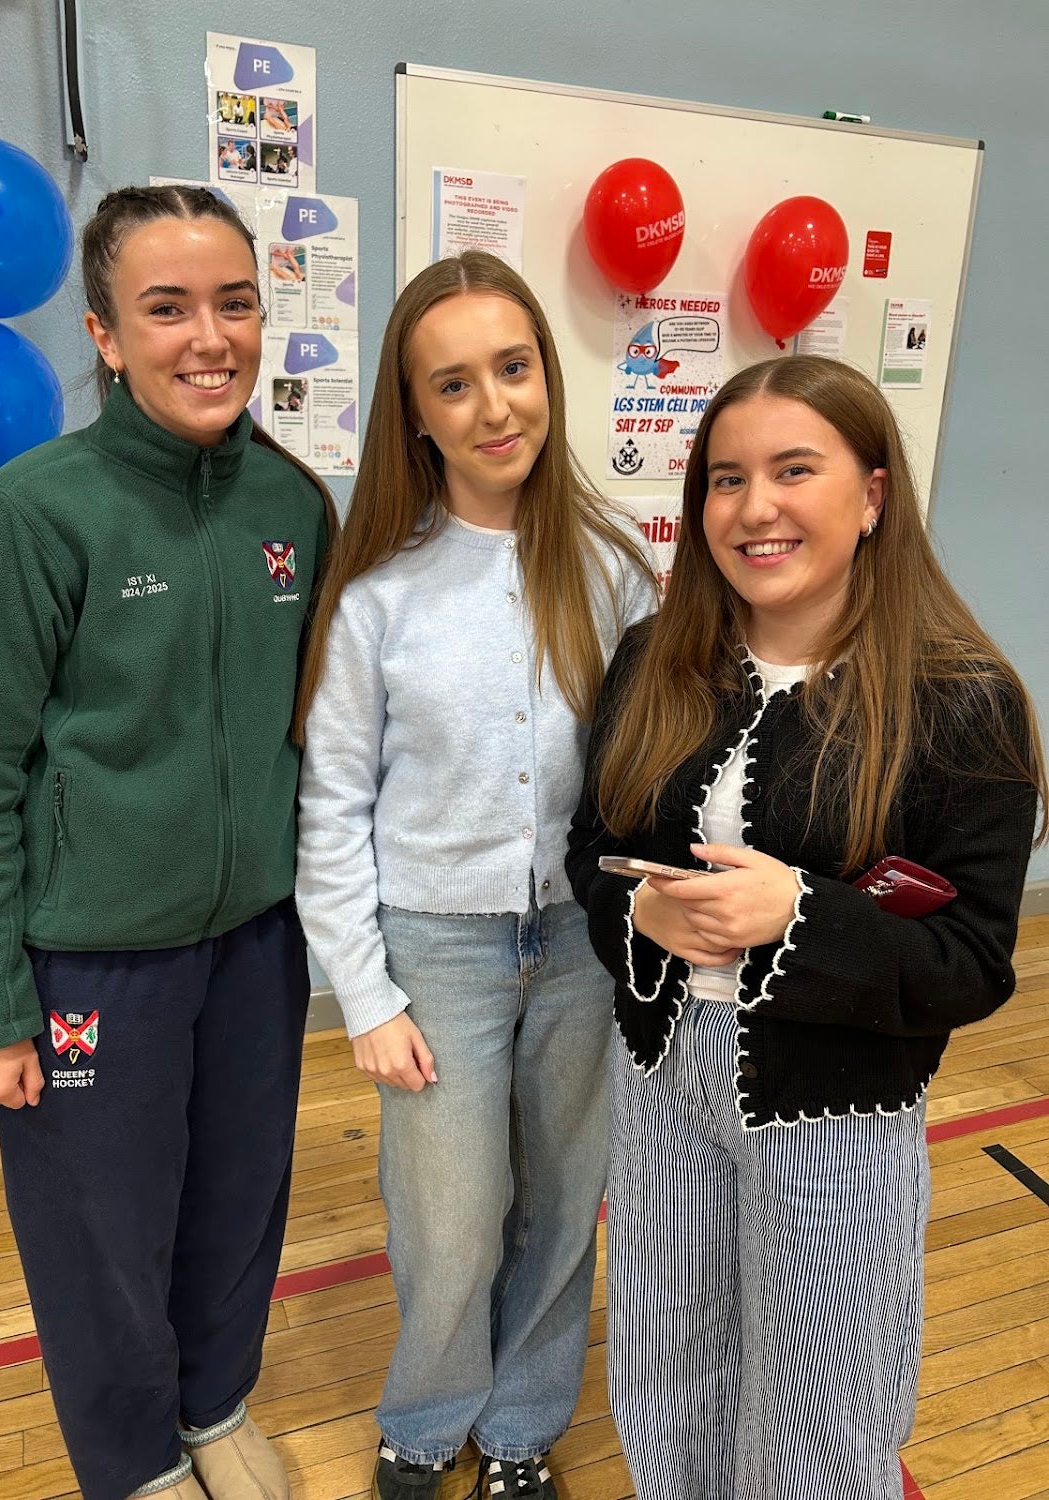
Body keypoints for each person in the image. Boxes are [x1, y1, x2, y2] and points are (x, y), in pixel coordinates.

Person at [565, 354, 1046, 1499]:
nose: (755, 507)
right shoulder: (656, 660)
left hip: (834, 1102)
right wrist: (634, 905)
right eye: (726, 479)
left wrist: (801, 915)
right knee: (666, 1356)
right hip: (665, 1074)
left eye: (794, 470)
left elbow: (972, 964)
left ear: (871, 495)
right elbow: (589, 849)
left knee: (824, 1400)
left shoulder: (960, 701)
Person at [0, 184, 337, 1500]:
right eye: (166, 308)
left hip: (254, 944)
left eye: (233, 303)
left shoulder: (293, 503)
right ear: (105, 334)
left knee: (236, 1203)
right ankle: (133, 1461)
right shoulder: (34, 513)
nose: (207, 336)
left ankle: (214, 1403)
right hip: (90, 961)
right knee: (99, 1236)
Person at [293, 250, 655, 1500]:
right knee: (451, 1220)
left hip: (576, 950)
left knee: (561, 1206)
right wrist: (367, 993)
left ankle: (519, 1428)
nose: (495, 406)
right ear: (417, 413)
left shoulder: (613, 574)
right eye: (456, 384)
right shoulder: (378, 598)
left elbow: (649, 771)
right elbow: (332, 809)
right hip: (432, 953)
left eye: (514, 369)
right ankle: (428, 1409)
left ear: (547, 375)